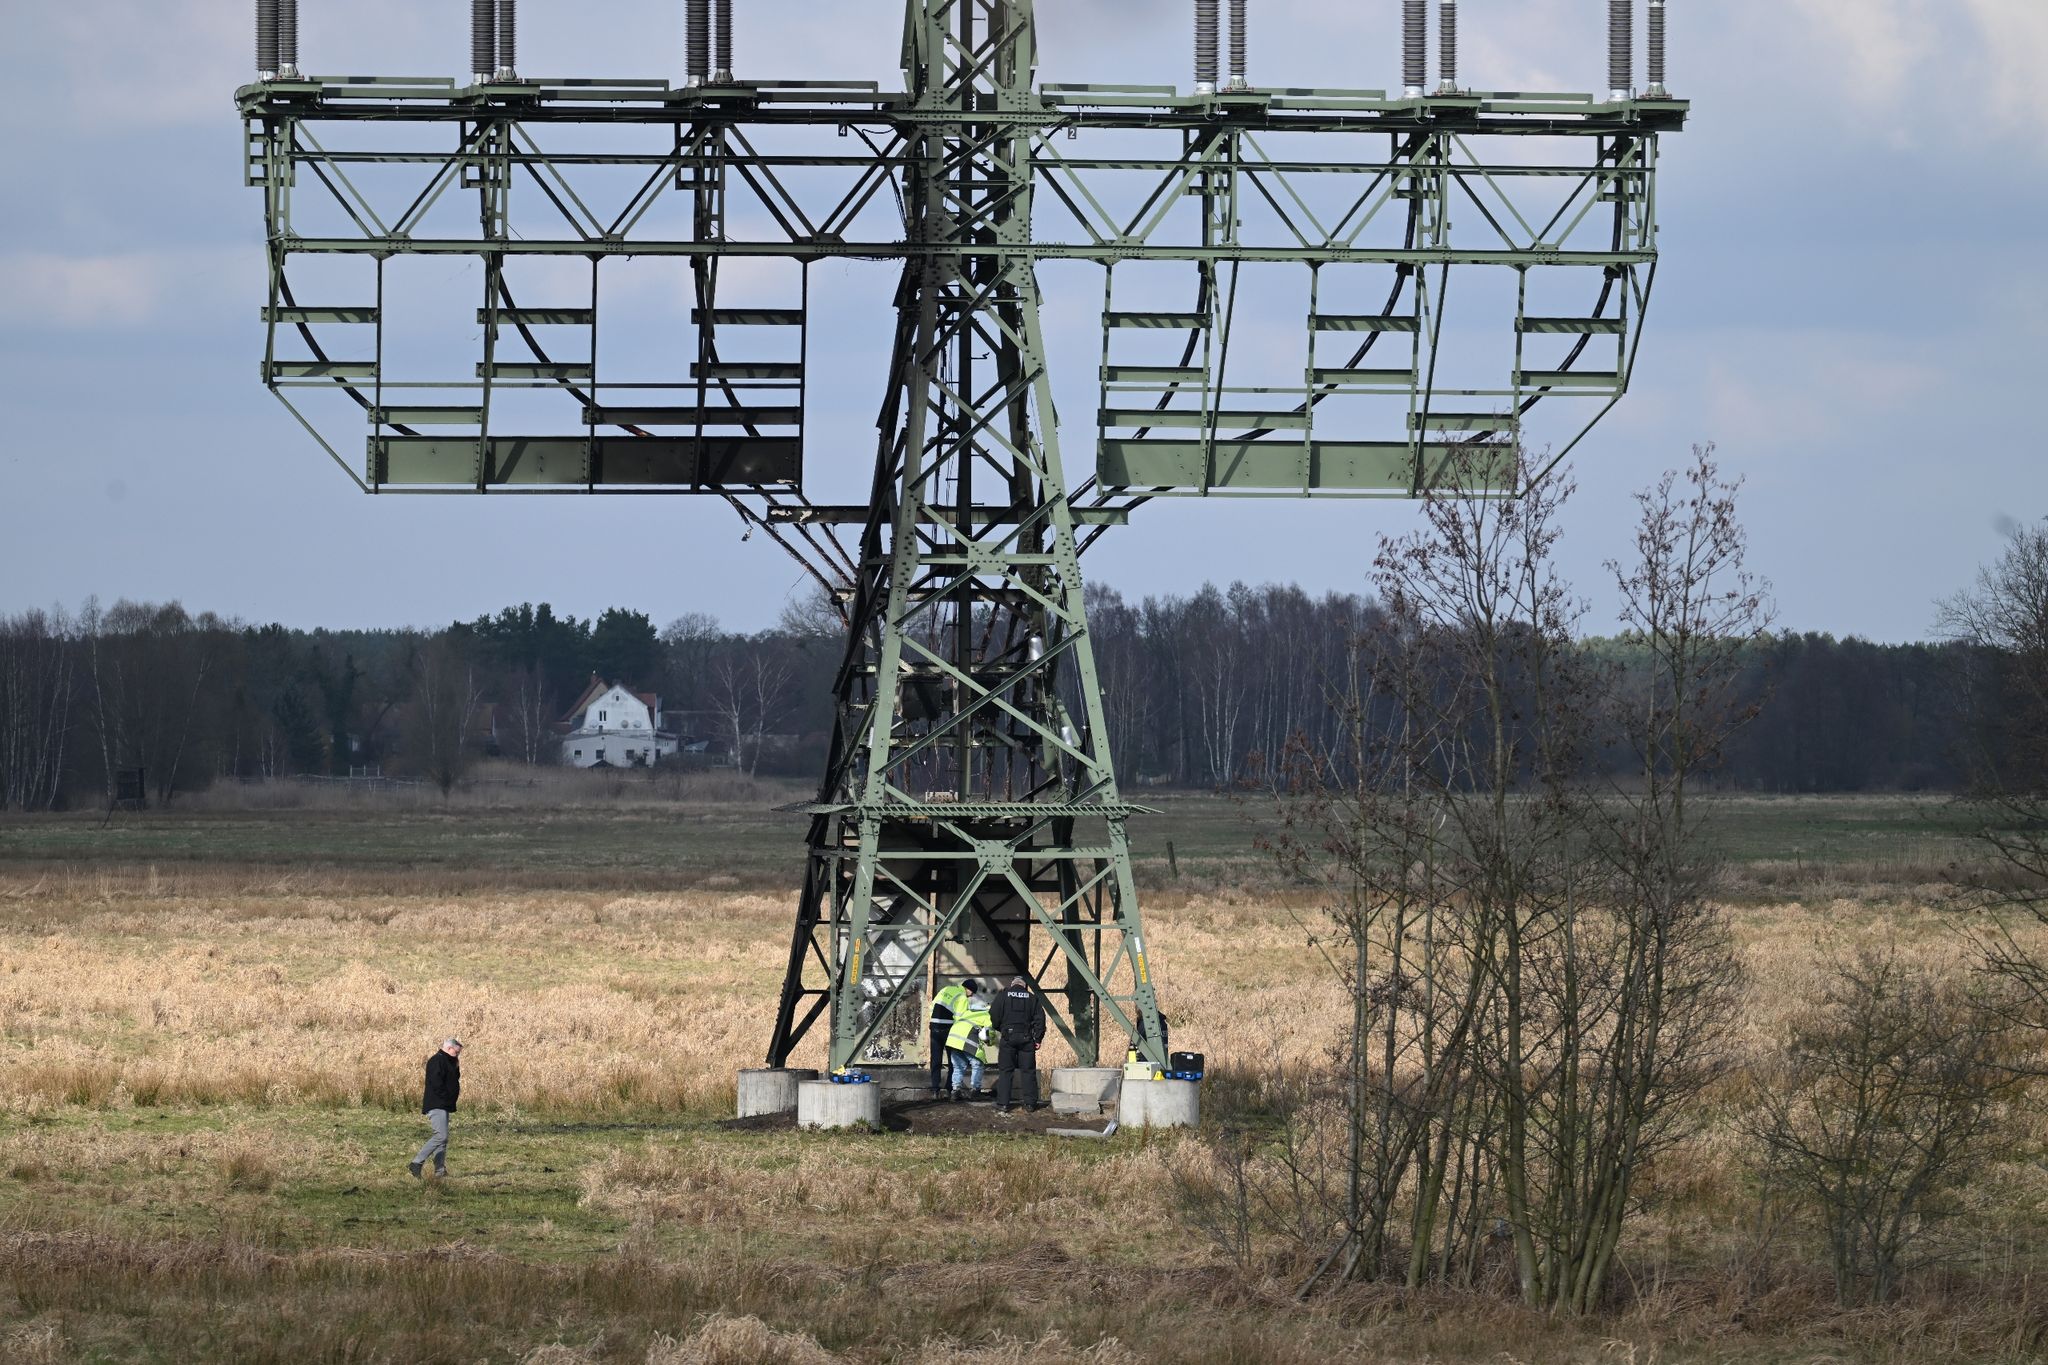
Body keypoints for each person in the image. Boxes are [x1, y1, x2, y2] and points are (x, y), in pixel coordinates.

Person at [990, 975, 1046, 1114]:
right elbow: (1040, 1020)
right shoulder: (1032, 998)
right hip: (1027, 1040)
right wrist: (1037, 1039)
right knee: (1028, 1071)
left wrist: (1001, 1028)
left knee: (1006, 1071)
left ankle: (1003, 1103)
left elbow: (994, 1015)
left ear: (1012, 984)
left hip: (1008, 1038)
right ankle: (1030, 1104)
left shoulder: (1003, 996)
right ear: (1024, 986)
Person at [409, 1037, 463, 1178]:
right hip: (437, 1103)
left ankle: (440, 1171)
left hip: (444, 1104)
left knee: (443, 1138)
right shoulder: (437, 1060)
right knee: (441, 1136)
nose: (457, 1055)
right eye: (456, 1052)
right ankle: (416, 1162)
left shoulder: (449, 1062)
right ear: (449, 1048)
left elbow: (453, 1079)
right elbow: (436, 1083)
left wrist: (456, 1066)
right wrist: (446, 1097)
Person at [927, 976, 977, 1099]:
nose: (970, 997)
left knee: (936, 1060)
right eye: (971, 994)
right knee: (953, 1060)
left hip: (934, 1027)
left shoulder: (945, 989)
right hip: (948, 1029)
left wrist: (933, 1023)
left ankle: (935, 1091)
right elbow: (960, 1019)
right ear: (969, 990)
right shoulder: (962, 997)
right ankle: (950, 1090)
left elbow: (931, 1006)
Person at [944, 989, 994, 1101]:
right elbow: (989, 1032)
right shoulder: (986, 1015)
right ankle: (975, 1091)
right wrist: (990, 1042)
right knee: (978, 1064)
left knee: (958, 1066)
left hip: (953, 1040)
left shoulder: (967, 1012)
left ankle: (955, 1091)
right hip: (966, 1040)